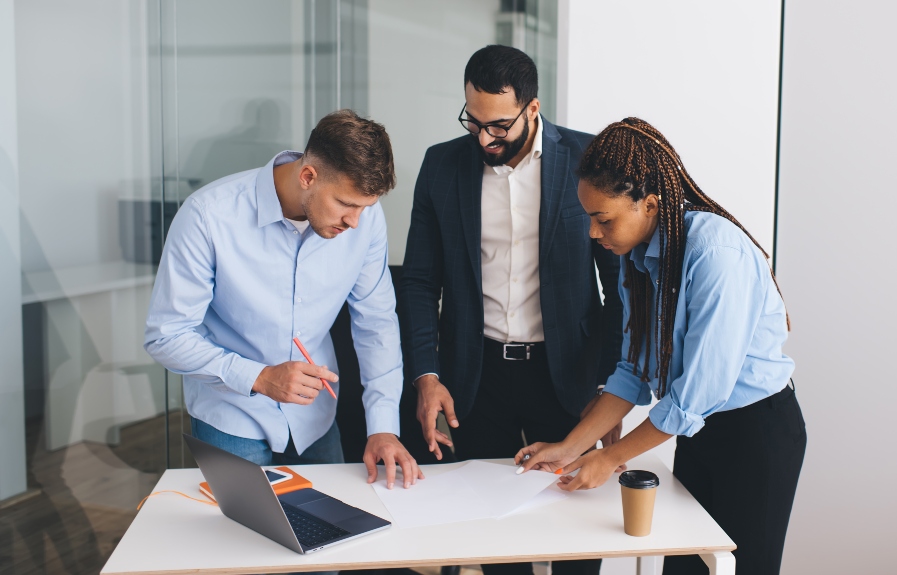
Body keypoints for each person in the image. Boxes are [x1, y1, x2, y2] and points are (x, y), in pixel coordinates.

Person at [516, 118, 806, 575]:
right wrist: (572, 446)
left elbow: (697, 396)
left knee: (745, 567)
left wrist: (609, 457)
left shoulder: (716, 254)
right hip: (695, 432)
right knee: (684, 566)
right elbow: (632, 372)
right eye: (589, 218)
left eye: (602, 218)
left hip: (756, 434)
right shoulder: (638, 258)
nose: (594, 233)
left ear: (649, 204)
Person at [398, 45, 622, 575]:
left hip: (568, 374)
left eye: (497, 126)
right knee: (494, 536)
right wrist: (426, 374)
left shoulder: (587, 160)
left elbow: (621, 290)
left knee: (576, 534)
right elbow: (418, 282)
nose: (483, 138)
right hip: (476, 377)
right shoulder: (441, 165)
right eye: (472, 121)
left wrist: (613, 389)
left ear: (533, 108)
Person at [145, 109, 422, 491]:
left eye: (365, 207)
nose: (355, 222)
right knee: (245, 545)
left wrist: (383, 428)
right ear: (308, 176)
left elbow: (376, 323)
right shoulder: (208, 216)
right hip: (232, 415)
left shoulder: (365, 222)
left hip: (315, 417)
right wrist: (259, 377)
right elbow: (167, 334)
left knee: (336, 537)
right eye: (345, 204)